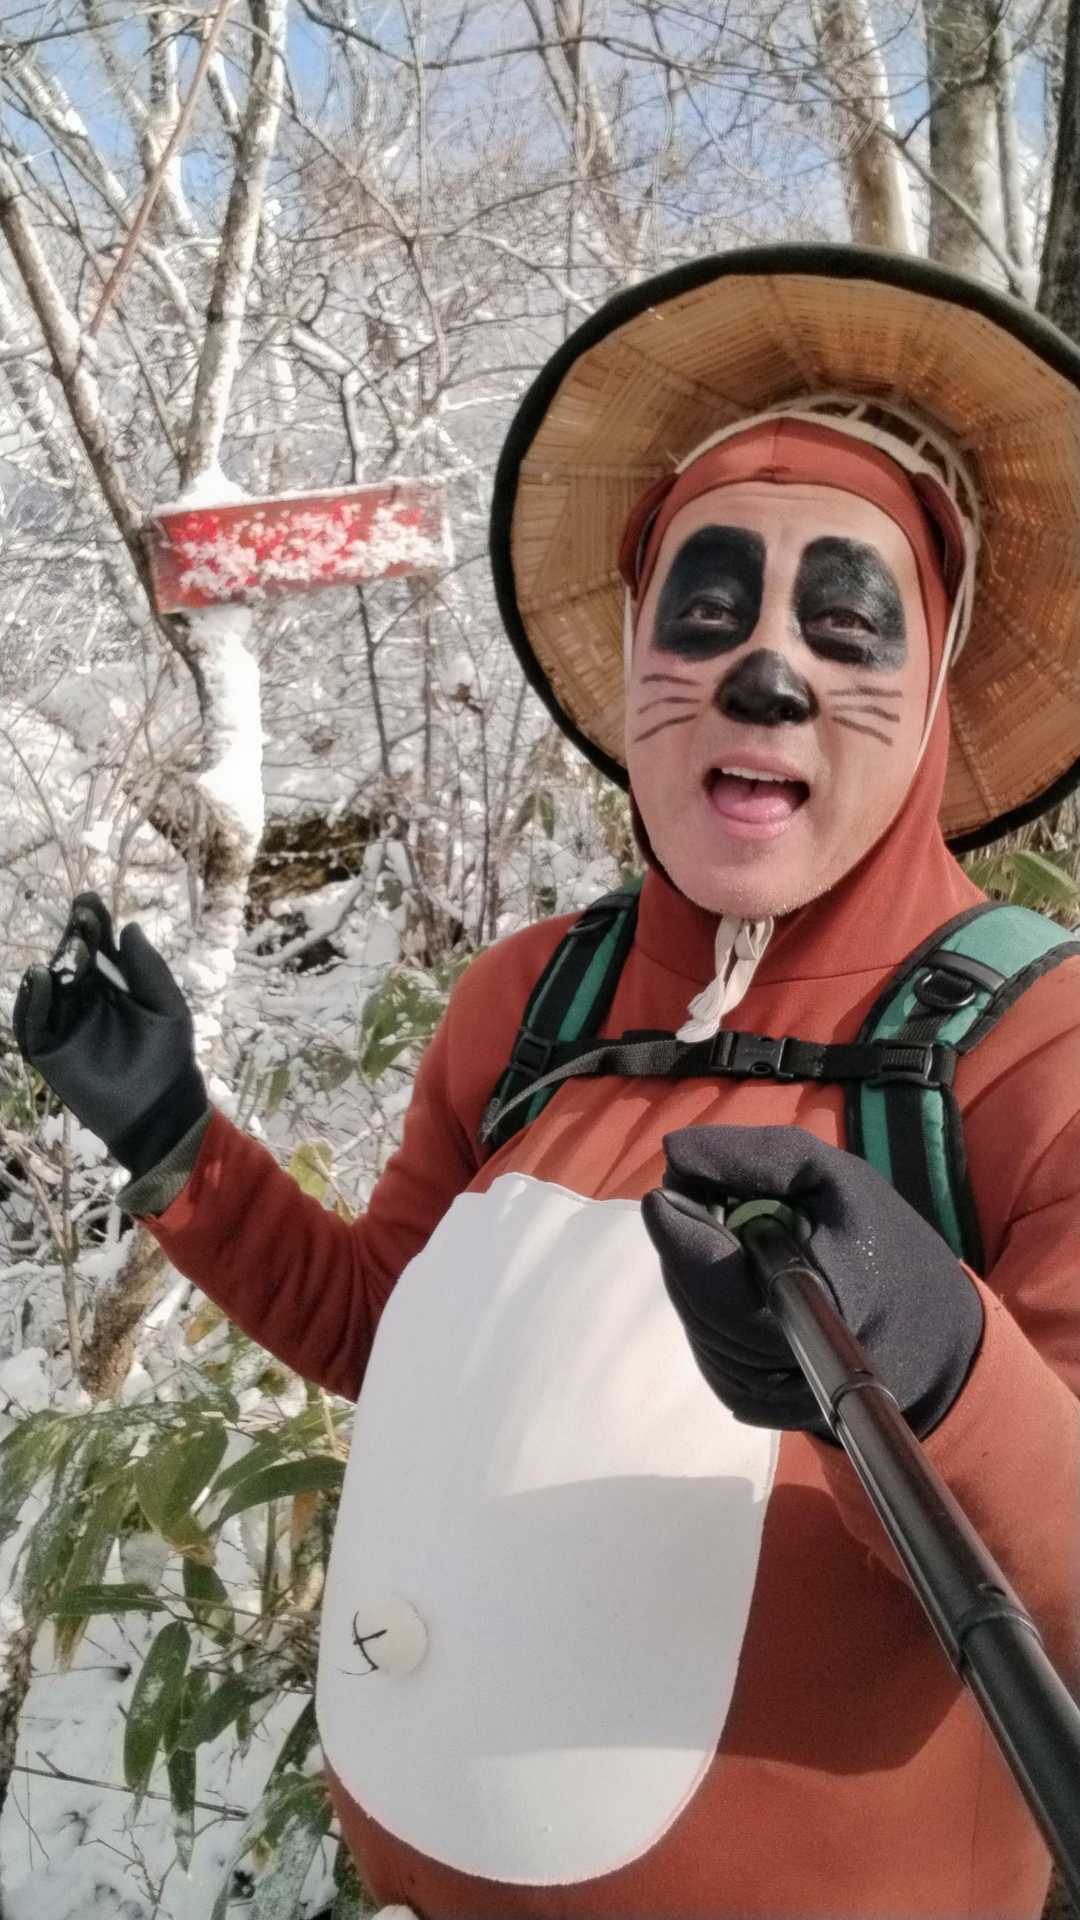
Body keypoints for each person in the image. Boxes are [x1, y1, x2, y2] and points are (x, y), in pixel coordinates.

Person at [15, 245, 1080, 1920]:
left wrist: (940, 1370)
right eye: (706, 612)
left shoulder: (1036, 1043)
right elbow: (384, 1331)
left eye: (846, 622)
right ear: (638, 658)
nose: (768, 673)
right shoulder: (529, 1002)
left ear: (931, 679)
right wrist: (169, 1138)